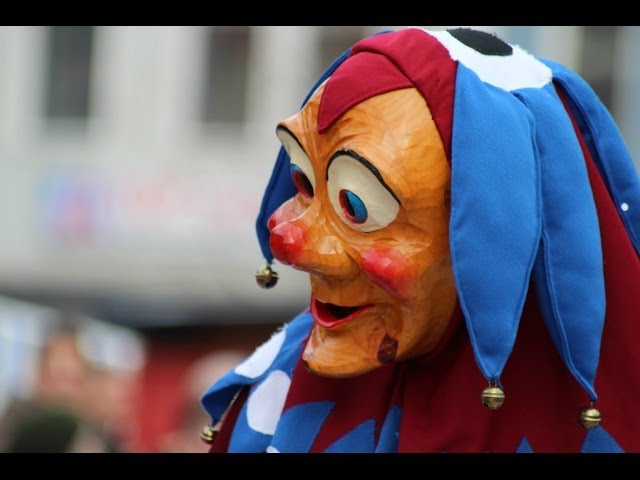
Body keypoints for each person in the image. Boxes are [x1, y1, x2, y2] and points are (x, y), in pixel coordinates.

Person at [201, 27, 640, 453]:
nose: (291, 243)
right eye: (303, 182)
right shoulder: (271, 398)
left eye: (355, 205)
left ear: (498, 242)